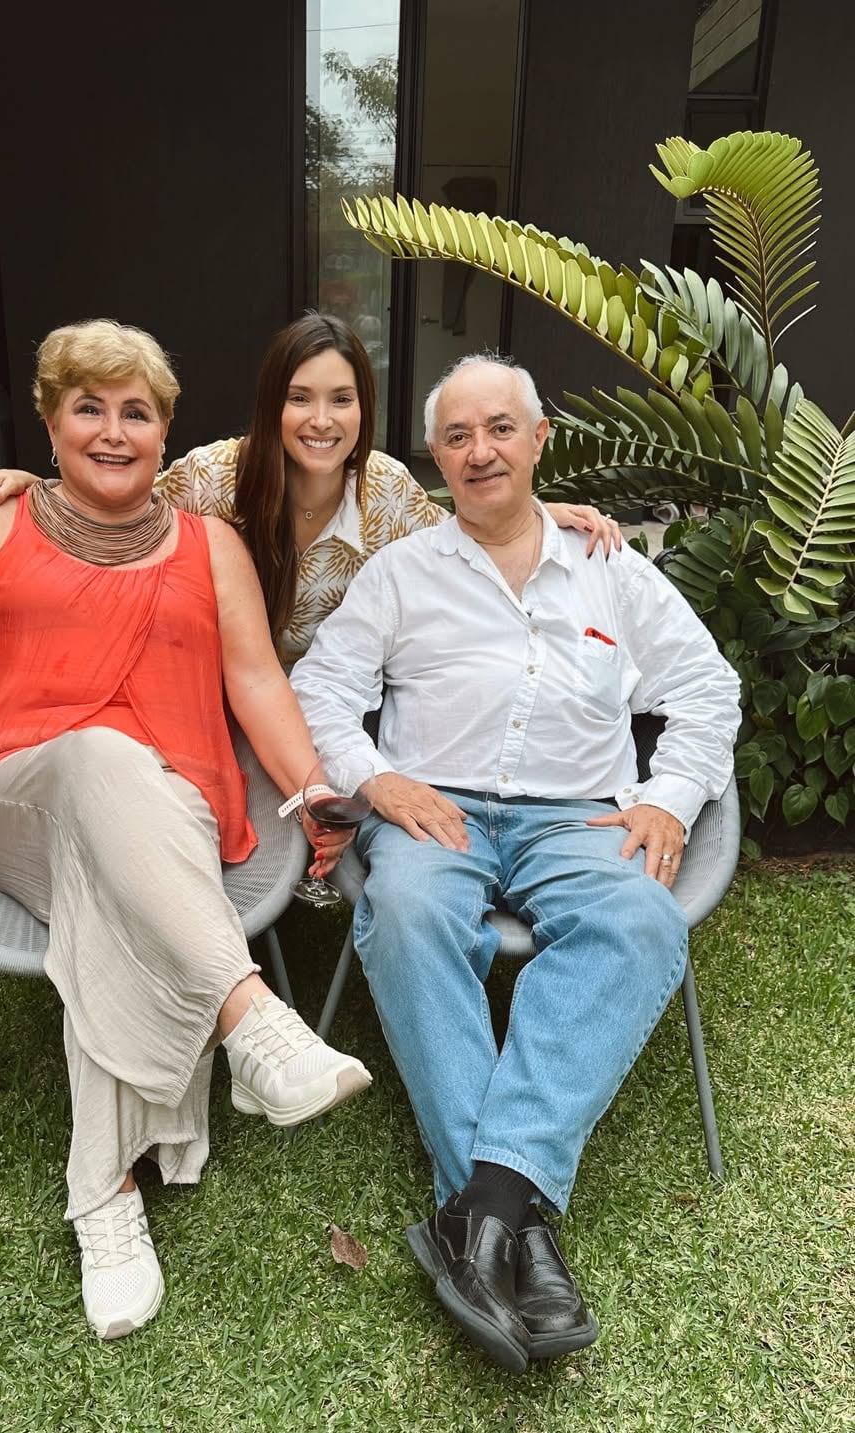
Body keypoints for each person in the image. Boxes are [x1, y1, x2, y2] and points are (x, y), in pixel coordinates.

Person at [0, 319, 372, 1341]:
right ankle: (246, 1016)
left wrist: (305, 791)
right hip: (22, 794)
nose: (114, 431)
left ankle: (107, 1200)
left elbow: (256, 680)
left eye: (137, 412)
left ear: (167, 431)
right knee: (95, 755)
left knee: (106, 881)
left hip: (174, 809)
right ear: (49, 419)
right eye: (90, 408)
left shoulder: (209, 544)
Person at [289, 353, 741, 1371]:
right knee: (405, 910)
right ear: (438, 457)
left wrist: (668, 796)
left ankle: (482, 1206)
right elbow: (321, 687)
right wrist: (376, 780)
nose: (480, 450)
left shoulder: (612, 568)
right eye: (457, 436)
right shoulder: (403, 572)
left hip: (576, 816)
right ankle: (512, 1216)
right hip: (433, 807)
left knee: (639, 921)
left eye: (500, 428)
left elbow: (708, 691)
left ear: (540, 440)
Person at [0, 313, 621, 666]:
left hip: (340, 699)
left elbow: (456, 534)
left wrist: (529, 511)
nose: (322, 421)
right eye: (300, 398)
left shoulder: (384, 487)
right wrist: (42, 486)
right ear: (272, 407)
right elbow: (119, 506)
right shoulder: (214, 477)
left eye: (342, 400)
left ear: (365, 410)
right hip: (220, 690)